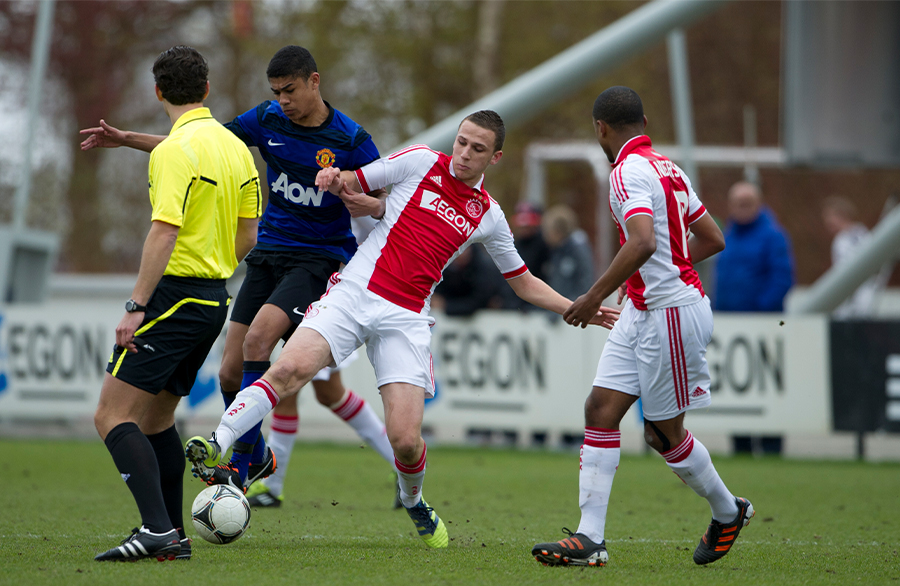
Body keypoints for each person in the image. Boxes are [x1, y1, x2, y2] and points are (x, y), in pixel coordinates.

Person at [184, 110, 619, 549]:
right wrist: (336, 178)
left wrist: (576, 305)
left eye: (478, 149)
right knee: (287, 371)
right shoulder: (419, 161)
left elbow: (523, 282)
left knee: (406, 442)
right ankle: (218, 443)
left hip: (406, 319)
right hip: (353, 293)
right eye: (462, 142)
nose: (464, 154)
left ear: (496, 158)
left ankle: (414, 501)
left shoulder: (488, 214)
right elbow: (357, 179)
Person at [80, 46, 397, 504]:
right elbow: (198, 147)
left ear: (314, 81)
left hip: (318, 259)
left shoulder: (351, 140)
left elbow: (388, 203)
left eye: (290, 90)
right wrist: (128, 138)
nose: (283, 100)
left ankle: (237, 462)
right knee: (230, 371)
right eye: (276, 92)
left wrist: (354, 194)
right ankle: (261, 454)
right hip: (267, 253)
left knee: (257, 342)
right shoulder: (266, 119)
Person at [531, 86, 753, 568]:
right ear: (644, 120)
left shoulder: (626, 171)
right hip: (642, 309)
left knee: (663, 434)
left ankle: (728, 510)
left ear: (600, 128)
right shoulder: (667, 168)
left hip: (669, 313)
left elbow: (643, 243)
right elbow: (712, 237)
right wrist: (662, 267)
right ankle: (591, 539)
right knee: (601, 408)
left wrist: (592, 296)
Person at [92, 46, 261, 562]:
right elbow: (249, 234)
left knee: (111, 416)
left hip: (172, 295)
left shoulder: (173, 152)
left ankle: (156, 530)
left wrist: (136, 304)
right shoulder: (236, 149)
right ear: (207, 90)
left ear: (158, 92)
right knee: (156, 419)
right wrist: (214, 264)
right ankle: (173, 538)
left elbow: (164, 231)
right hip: (213, 299)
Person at [713, 181, 794, 312]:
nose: (743, 208)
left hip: (760, 321)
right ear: (731, 205)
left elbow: (782, 278)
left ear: (759, 203)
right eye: (739, 203)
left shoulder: (773, 236)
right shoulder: (726, 235)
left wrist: (761, 308)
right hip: (727, 318)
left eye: (748, 203)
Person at [821, 196, 882, 319]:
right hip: (867, 299)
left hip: (853, 303)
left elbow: (844, 272)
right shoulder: (864, 233)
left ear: (841, 215)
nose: (827, 222)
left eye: (830, 217)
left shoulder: (841, 241)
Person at [542, 204, 595, 302]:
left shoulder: (578, 251)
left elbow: (585, 281)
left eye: (548, 231)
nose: (545, 236)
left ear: (558, 231)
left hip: (572, 309)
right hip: (561, 309)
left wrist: (573, 305)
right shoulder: (557, 251)